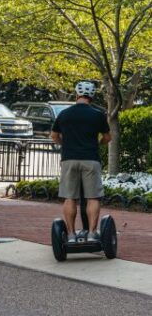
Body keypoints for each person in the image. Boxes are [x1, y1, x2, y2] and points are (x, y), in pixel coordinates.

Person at [51, 80, 112, 243]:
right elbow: (107, 137)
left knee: (70, 197)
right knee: (93, 197)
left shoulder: (64, 114)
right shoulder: (98, 115)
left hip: (69, 159)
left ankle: (70, 235)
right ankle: (92, 233)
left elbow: (54, 136)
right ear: (92, 96)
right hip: (90, 159)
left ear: (77, 94)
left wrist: (66, 144)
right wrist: (99, 143)